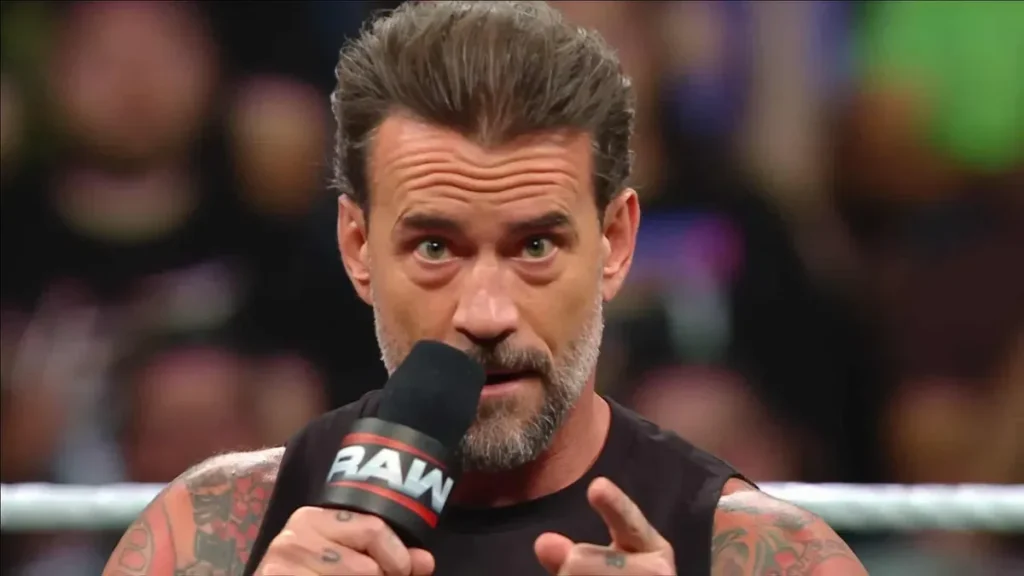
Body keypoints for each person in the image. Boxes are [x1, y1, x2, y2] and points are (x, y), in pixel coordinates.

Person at [100, 2, 869, 575]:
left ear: (615, 242)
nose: (486, 314)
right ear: (357, 247)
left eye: (535, 246)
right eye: (436, 248)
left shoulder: (763, 556)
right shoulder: (216, 535)